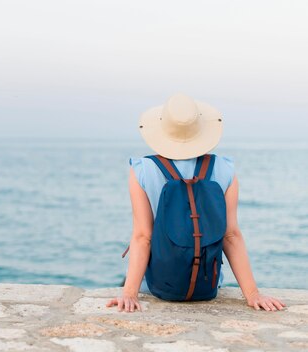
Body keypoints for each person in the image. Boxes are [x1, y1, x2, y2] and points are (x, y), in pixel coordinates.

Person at [107, 93, 286, 312]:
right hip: (207, 287)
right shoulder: (225, 169)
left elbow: (143, 236)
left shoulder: (141, 170)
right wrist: (252, 294)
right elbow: (231, 235)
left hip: (157, 286)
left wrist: (129, 293)